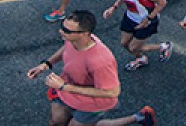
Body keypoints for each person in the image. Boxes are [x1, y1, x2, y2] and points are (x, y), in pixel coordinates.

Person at [25, 10, 158, 126]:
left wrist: (64, 86)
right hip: (66, 89)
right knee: (56, 121)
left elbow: (112, 92)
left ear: (84, 33)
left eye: (66, 31)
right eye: (62, 27)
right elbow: (67, 47)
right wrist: (46, 64)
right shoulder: (73, 39)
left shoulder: (100, 61)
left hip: (92, 103)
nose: (61, 31)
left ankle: (139, 117)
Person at [102, 0, 172, 72]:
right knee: (124, 43)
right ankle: (141, 58)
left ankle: (163, 46)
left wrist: (148, 19)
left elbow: (162, 2)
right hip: (130, 17)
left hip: (145, 21)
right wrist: (113, 7)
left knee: (133, 47)